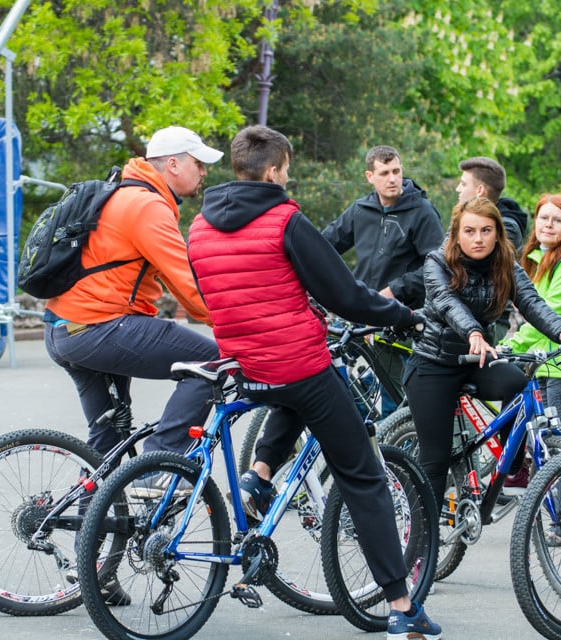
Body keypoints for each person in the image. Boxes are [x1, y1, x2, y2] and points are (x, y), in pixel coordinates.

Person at [186, 125, 440, 639]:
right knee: (363, 476)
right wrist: (401, 316)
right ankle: (400, 605)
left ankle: (258, 477)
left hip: (244, 366)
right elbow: (346, 295)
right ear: (276, 170)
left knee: (294, 393)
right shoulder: (285, 220)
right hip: (296, 362)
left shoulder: (198, 227)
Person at [43, 125, 222, 465]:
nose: (203, 172)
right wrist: (232, 325)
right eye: (198, 164)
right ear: (172, 164)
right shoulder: (147, 206)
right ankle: (157, 465)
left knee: (107, 441)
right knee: (210, 363)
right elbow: (188, 284)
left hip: (62, 329)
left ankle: (94, 517)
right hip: (97, 327)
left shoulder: (121, 192)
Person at [404, 196, 561, 513]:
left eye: (486, 230)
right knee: (434, 462)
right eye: (470, 231)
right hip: (434, 363)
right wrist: (473, 332)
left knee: (518, 385)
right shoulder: (438, 261)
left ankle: (509, 458)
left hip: (478, 359)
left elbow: (532, 303)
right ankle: (419, 550)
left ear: (497, 233)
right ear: (456, 233)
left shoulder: (505, 263)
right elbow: (448, 304)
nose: (478, 238)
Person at [322, 145, 444, 418]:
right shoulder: (361, 210)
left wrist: (395, 290)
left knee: (395, 399)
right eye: (384, 173)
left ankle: (396, 453)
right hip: (360, 312)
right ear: (370, 176)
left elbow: (437, 267)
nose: (392, 179)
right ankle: (367, 432)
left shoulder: (421, 211)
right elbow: (323, 246)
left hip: (400, 319)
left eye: (396, 171)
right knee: (330, 375)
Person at [501, 193, 561, 449]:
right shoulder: (539, 260)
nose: (548, 224)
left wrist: (512, 345)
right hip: (544, 363)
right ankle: (546, 490)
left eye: (557, 220)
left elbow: (547, 314)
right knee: (543, 445)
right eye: (543, 218)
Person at [455, 156, 529, 340]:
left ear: (479, 191)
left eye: (463, 184)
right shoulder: (465, 220)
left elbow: (479, 279)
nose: (458, 189)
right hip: (458, 313)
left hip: (488, 323)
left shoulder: (506, 227)